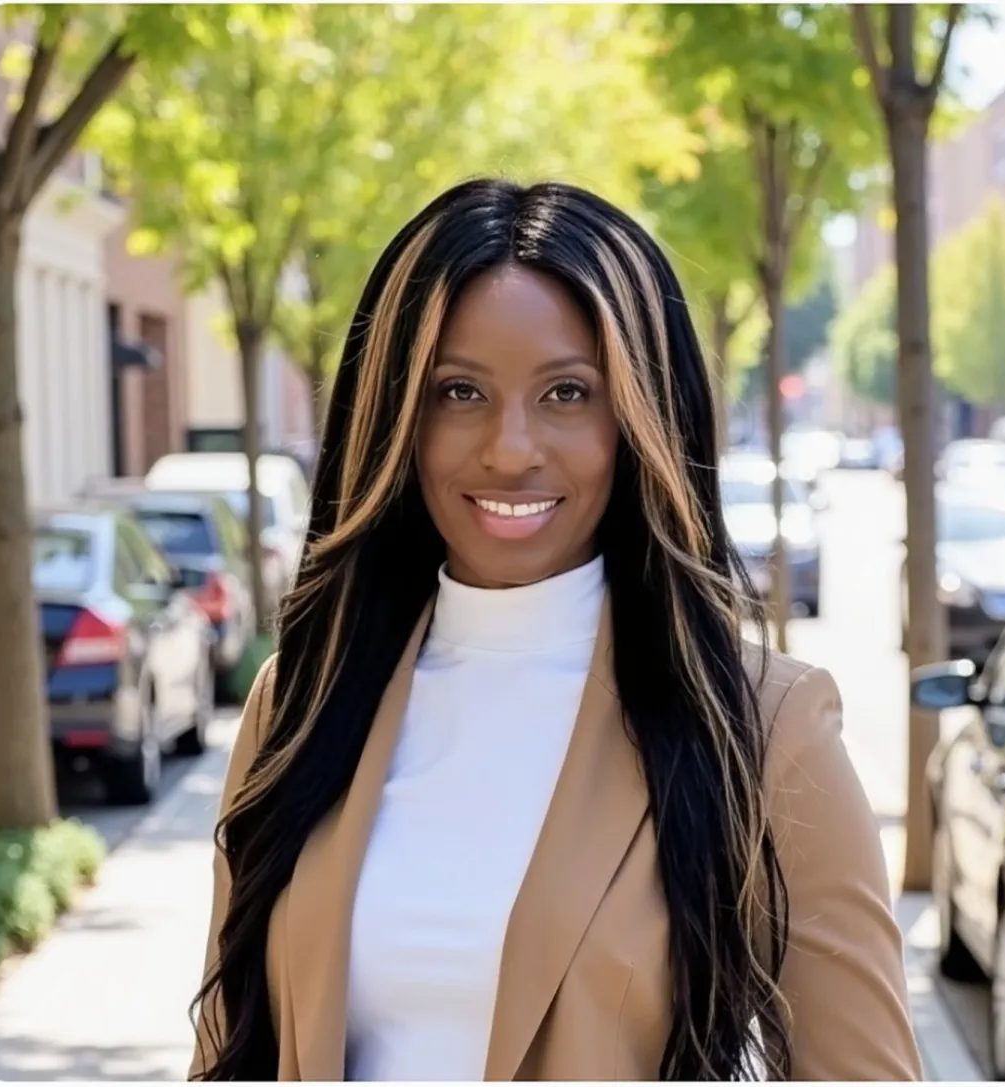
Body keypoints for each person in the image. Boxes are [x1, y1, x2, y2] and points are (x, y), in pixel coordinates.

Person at [189, 178, 921, 1082]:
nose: (509, 448)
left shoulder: (765, 728)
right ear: (396, 418)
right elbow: (224, 1053)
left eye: (568, 392)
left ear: (640, 417)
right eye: (459, 391)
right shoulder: (300, 702)